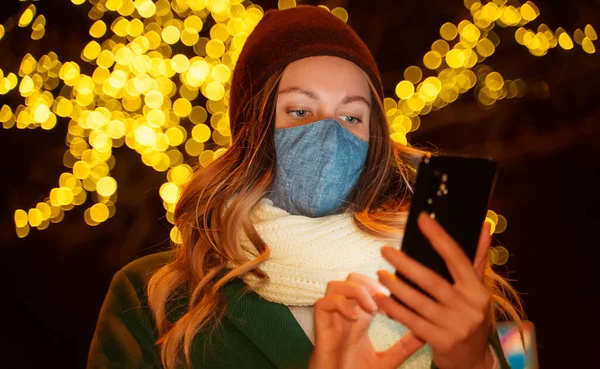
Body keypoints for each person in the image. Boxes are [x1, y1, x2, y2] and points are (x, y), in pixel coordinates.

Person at [87, 5, 524, 369]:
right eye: (299, 110)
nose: (328, 133)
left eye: (352, 117)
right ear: (253, 132)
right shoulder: (155, 299)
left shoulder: (447, 288)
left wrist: (470, 361)